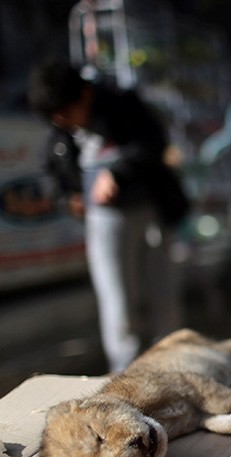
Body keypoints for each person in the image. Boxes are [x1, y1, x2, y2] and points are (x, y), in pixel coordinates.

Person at [28, 60, 188, 372]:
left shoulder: (123, 103)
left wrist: (117, 172)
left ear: (85, 95)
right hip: (104, 221)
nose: (62, 121)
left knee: (164, 298)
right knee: (118, 306)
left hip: (152, 209)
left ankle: (176, 369)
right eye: (55, 117)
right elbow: (52, 172)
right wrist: (67, 198)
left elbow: (154, 144)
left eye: (65, 112)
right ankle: (125, 375)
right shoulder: (60, 131)